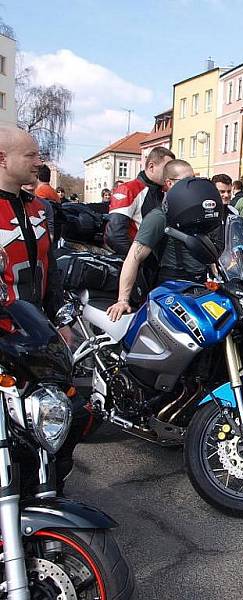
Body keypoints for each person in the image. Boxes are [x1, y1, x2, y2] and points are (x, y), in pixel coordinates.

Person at [0, 125, 87, 490]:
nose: (39, 161)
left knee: (69, 415)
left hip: (39, 336)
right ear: (3, 160)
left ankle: (48, 492)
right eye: (30, 155)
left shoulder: (40, 208)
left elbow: (51, 268)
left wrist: (62, 323)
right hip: (4, 340)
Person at [106, 176, 221, 322]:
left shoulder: (198, 215)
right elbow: (134, 257)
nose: (192, 185)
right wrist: (123, 299)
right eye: (185, 179)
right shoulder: (160, 216)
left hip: (199, 285)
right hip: (170, 288)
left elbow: (206, 249)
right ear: (170, 183)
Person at [105, 146, 175, 256]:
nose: (170, 174)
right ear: (151, 166)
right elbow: (114, 235)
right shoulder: (129, 189)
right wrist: (137, 261)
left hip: (159, 263)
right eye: (167, 169)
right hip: (139, 262)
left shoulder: (164, 192)